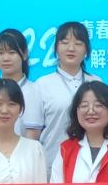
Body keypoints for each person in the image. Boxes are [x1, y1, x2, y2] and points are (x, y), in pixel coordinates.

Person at [35, 22, 102, 174]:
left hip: (92, 164)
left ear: (86, 50)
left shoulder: (96, 82)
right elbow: (34, 134)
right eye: (65, 43)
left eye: (78, 43)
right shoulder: (42, 84)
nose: (71, 48)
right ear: (56, 48)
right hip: (52, 162)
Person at [51, 81, 108, 183]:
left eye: (98, 105)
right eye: (84, 106)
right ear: (76, 111)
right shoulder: (65, 149)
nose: (91, 111)